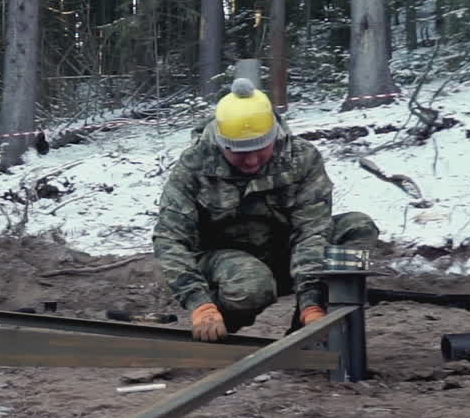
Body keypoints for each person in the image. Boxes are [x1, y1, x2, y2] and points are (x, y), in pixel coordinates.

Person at [152, 78, 378, 342]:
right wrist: (199, 302)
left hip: (285, 254)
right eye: (238, 152)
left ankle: (309, 331)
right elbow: (171, 239)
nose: (250, 161)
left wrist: (311, 302)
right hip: (223, 263)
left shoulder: (302, 159)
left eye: (260, 150)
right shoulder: (194, 166)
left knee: (358, 227)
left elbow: (311, 233)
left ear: (275, 136)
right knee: (252, 284)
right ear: (221, 142)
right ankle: (216, 327)